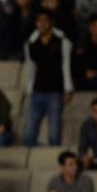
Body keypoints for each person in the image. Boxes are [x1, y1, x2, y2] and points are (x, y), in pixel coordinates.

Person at [22, 10, 73, 146]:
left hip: (55, 91)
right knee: (29, 134)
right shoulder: (31, 44)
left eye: (45, 21)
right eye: (39, 21)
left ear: (51, 23)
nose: (42, 24)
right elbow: (30, 68)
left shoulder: (62, 43)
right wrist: (29, 89)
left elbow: (65, 66)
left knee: (54, 134)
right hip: (37, 91)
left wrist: (68, 88)